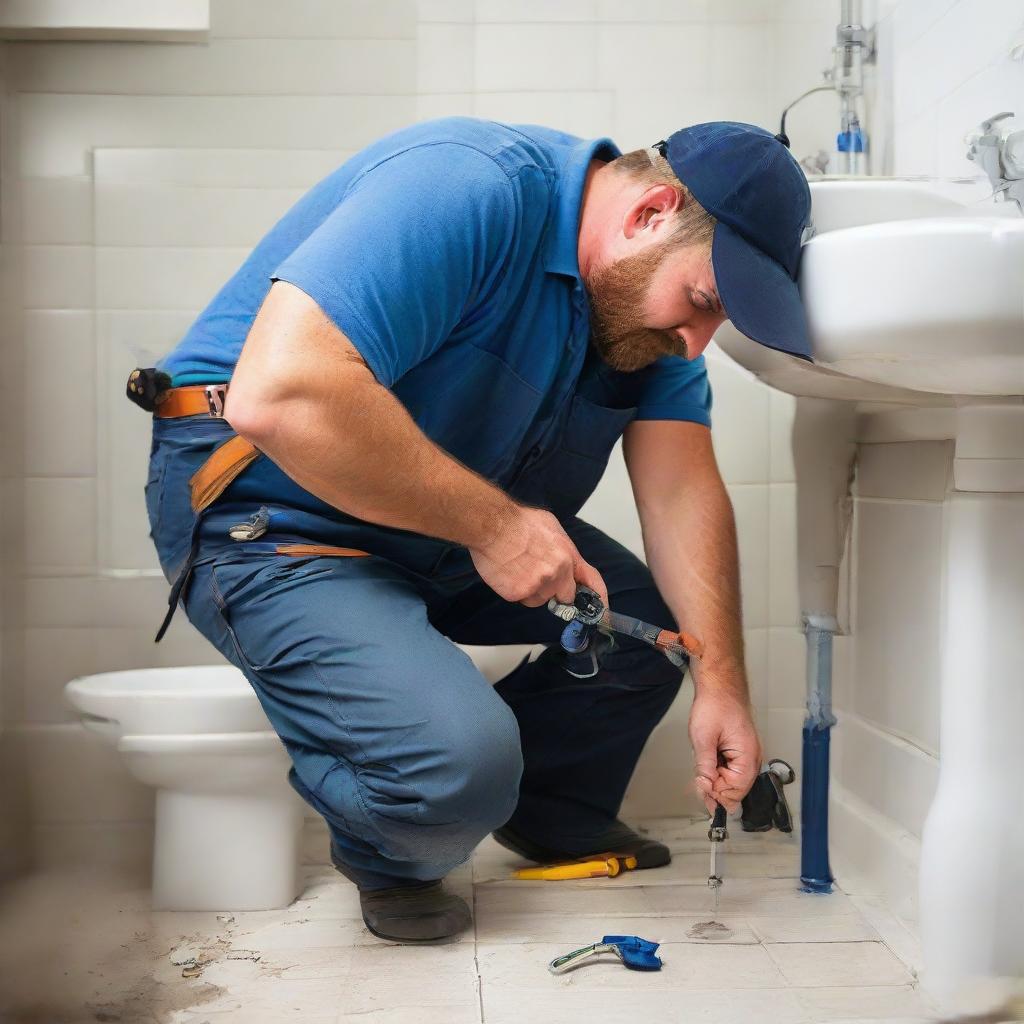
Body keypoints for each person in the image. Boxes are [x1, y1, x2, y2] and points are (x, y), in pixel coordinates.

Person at [141, 116, 812, 943]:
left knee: (665, 635)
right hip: (276, 510)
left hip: (442, 527)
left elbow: (681, 492)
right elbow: (280, 396)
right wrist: (495, 527)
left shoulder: (644, 320)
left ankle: (544, 811)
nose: (695, 342)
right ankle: (407, 822)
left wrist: (724, 686)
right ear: (651, 213)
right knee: (454, 768)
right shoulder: (471, 186)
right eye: (704, 301)